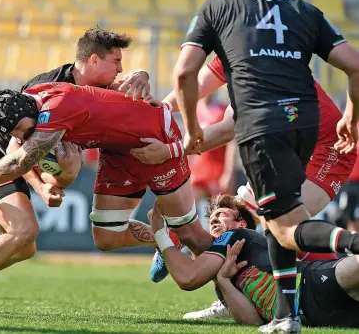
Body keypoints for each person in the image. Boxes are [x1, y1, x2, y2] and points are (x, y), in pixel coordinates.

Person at [172, 0, 359, 331]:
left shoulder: (225, 16)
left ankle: (344, 254)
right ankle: (283, 314)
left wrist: (188, 138)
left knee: (281, 224)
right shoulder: (298, 12)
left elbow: (187, 80)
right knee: (265, 219)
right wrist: (352, 116)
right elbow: (355, 64)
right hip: (300, 123)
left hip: (311, 143)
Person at [0, 27, 152, 316]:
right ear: (94, 61)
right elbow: (17, 150)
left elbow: (132, 87)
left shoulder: (97, 90)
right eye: (116, 62)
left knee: (25, 248)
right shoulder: (49, 87)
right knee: (24, 230)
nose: (121, 70)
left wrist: (143, 74)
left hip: (18, 164)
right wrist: (39, 187)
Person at [136, 56, 358, 319]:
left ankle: (347, 253)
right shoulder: (232, 49)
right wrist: (162, 107)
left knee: (273, 222)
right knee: (243, 222)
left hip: (327, 152)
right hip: (289, 152)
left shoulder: (261, 68)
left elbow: (224, 132)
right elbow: (194, 84)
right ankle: (226, 288)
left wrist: (169, 151)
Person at [0, 82, 215, 271]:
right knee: (106, 237)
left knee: (191, 233)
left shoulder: (54, 110)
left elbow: (24, 160)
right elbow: (20, 149)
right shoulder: (34, 99)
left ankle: (239, 283)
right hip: (117, 151)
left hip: (155, 139)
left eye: (24, 131)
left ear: (30, 112)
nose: (24, 138)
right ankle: (165, 239)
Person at [152, 194, 359, 329]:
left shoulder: (238, 235)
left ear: (241, 223)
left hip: (311, 283)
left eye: (221, 215)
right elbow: (251, 321)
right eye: (211, 218)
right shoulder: (222, 275)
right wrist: (223, 281)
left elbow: (188, 278)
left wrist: (160, 236)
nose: (213, 220)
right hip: (315, 316)